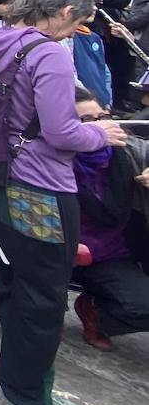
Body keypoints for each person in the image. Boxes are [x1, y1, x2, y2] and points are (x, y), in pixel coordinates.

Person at [0, 0, 127, 405]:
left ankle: (22, 385)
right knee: (42, 298)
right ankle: (28, 402)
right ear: (62, 13)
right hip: (38, 189)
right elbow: (62, 133)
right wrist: (101, 132)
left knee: (16, 288)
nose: (75, 29)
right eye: (77, 21)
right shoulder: (50, 55)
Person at [69, 98, 149, 352]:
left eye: (104, 116)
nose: (102, 125)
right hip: (62, 251)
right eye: (87, 121)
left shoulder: (126, 152)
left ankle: (96, 310)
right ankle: (85, 311)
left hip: (114, 254)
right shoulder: (50, 160)